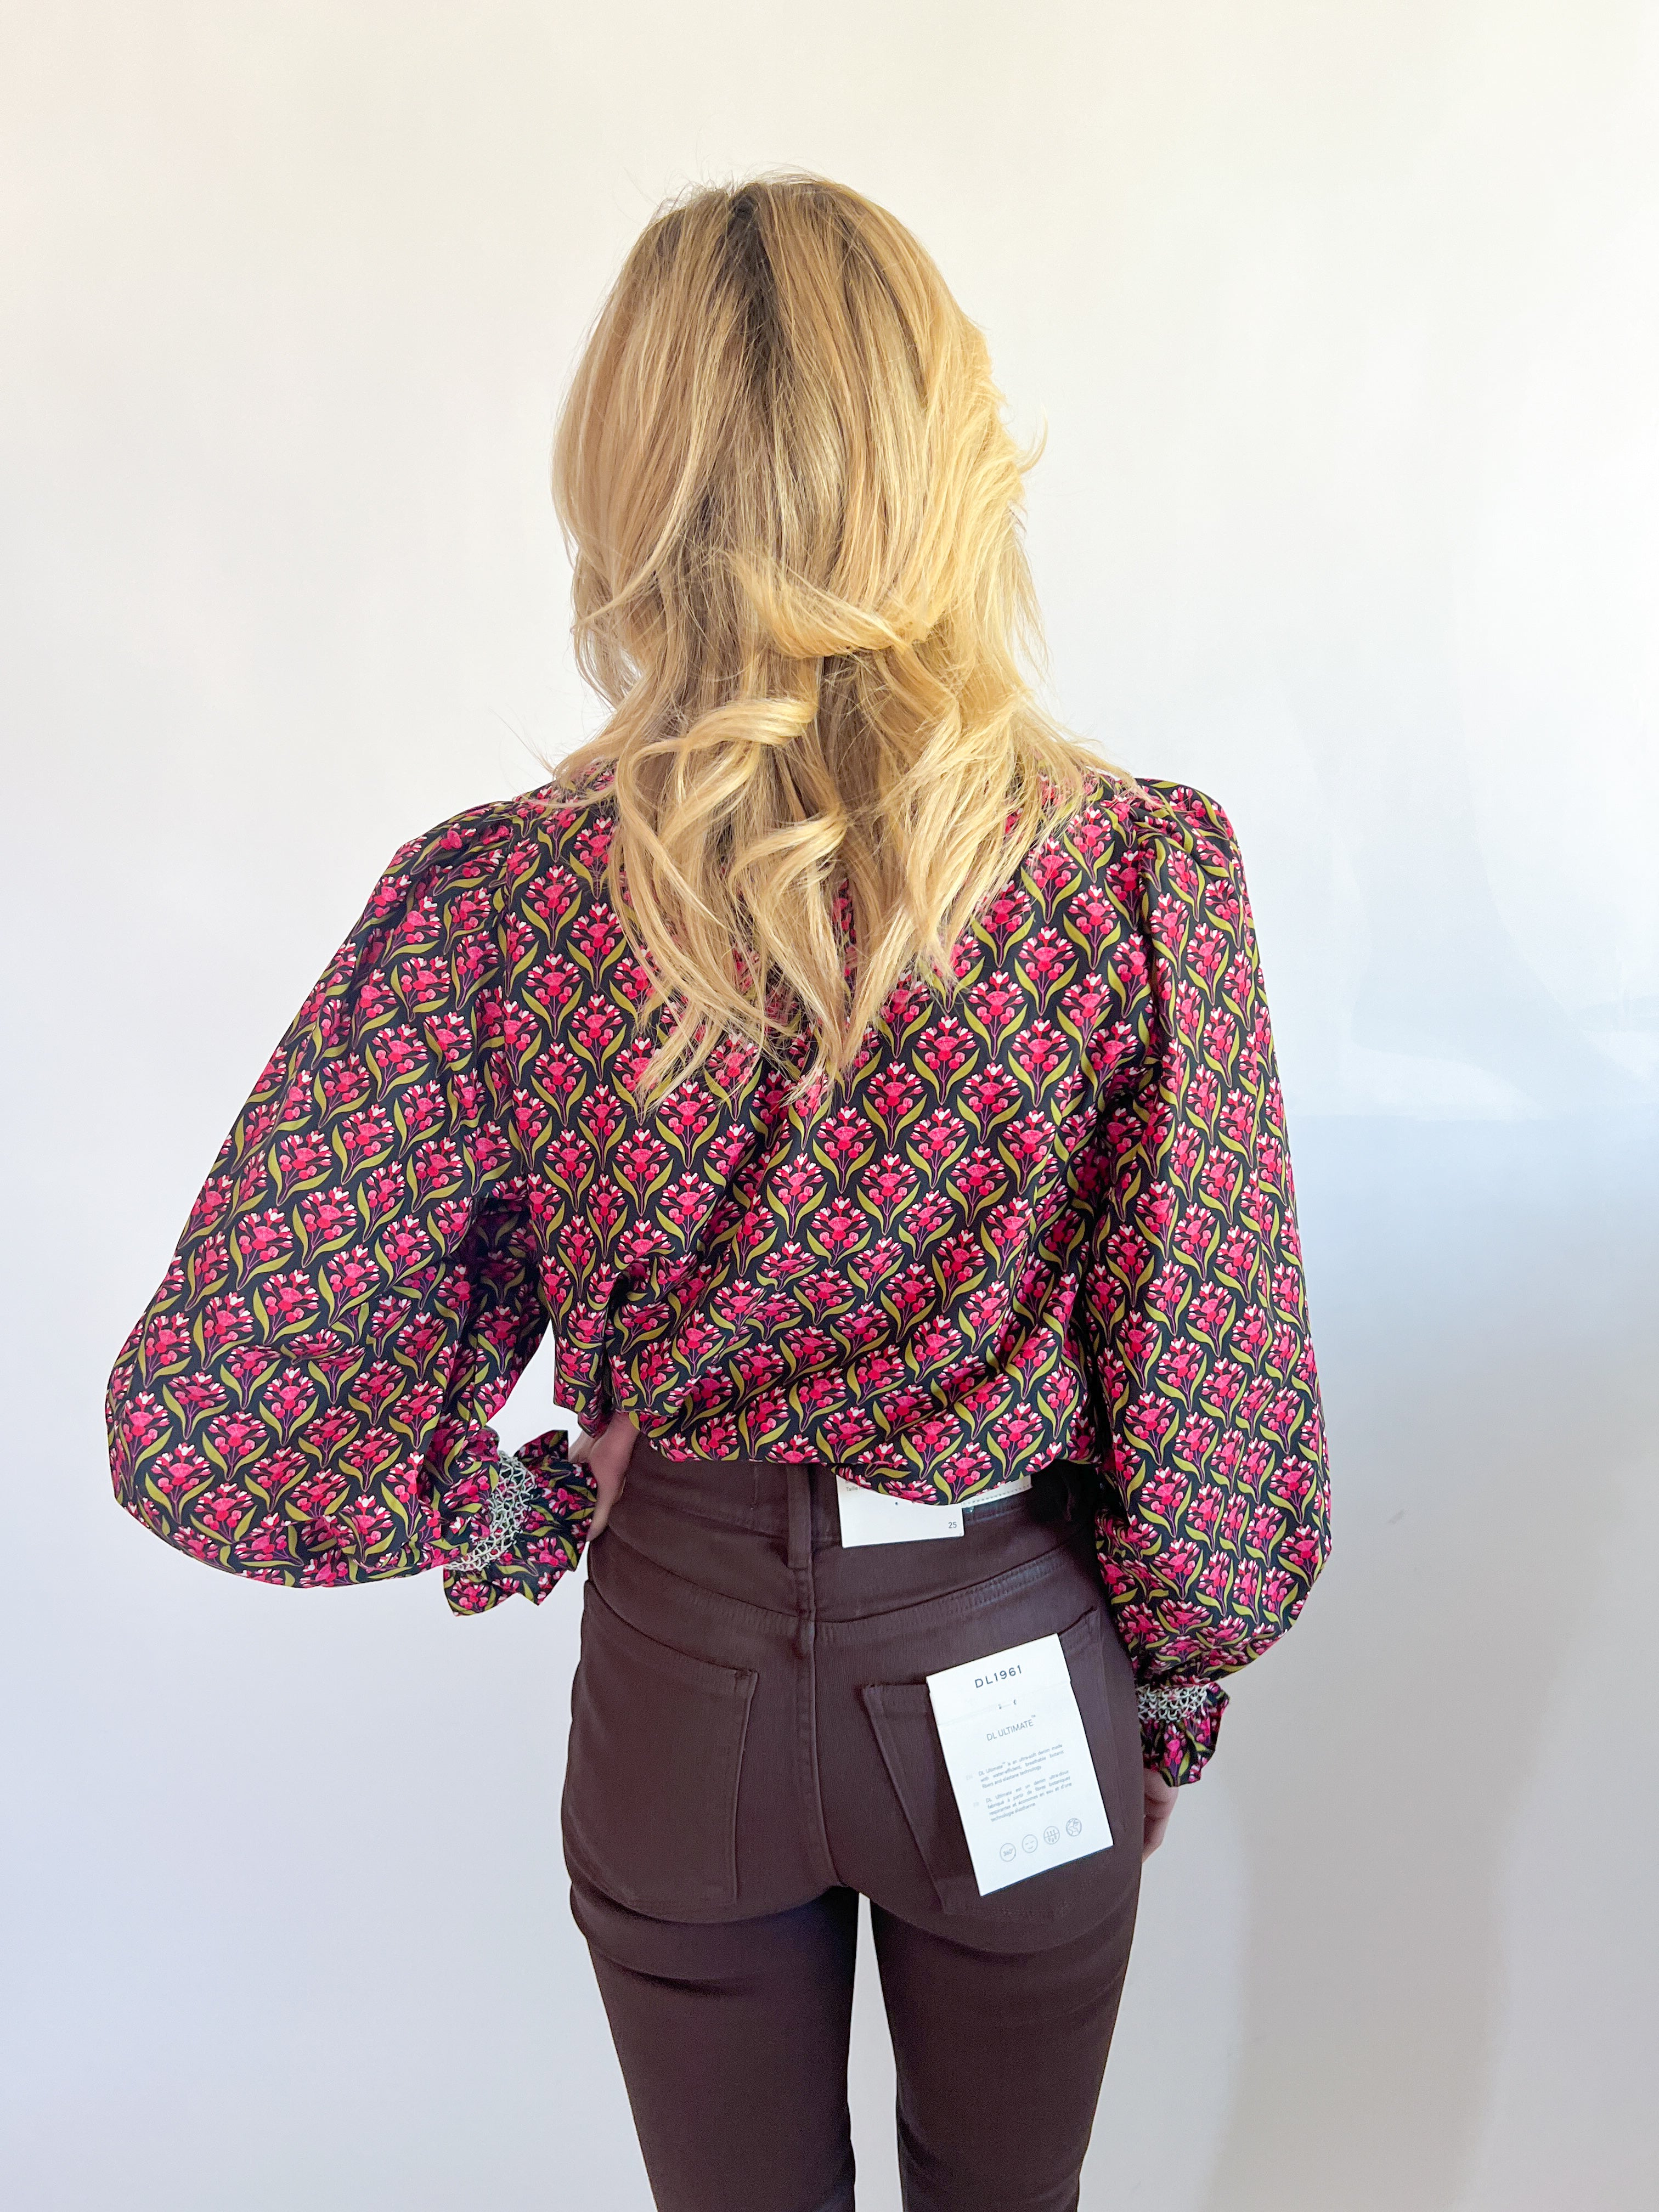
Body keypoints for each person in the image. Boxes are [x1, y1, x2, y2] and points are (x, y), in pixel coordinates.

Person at [106, 173, 1330, 2212]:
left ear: (630, 481)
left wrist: (515, 1512)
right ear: (945, 461)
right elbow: (1214, 1392)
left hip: (680, 1671)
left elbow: (214, 1409)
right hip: (1009, 1648)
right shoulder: (1131, 878)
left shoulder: (501, 900)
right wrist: (1171, 1700)